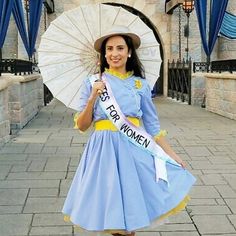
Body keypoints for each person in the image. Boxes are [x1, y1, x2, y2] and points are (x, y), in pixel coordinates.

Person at [62, 25, 196, 236]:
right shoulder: (92, 83)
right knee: (111, 211)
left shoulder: (140, 85)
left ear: (129, 52)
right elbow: (82, 125)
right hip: (103, 151)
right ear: (103, 55)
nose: (114, 54)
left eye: (120, 48)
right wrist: (93, 97)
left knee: (130, 212)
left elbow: (152, 127)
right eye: (109, 49)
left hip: (133, 149)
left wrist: (172, 155)